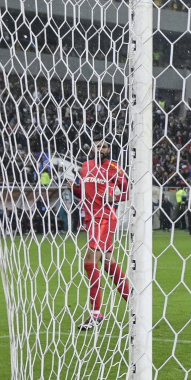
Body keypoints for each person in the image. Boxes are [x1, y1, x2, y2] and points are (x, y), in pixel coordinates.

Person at [72, 139, 130, 331]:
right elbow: (84, 193)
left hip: (104, 218)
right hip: (91, 219)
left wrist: (114, 197)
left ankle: (96, 313)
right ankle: (135, 304)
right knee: (108, 263)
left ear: (109, 150)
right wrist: (73, 188)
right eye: (97, 146)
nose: (100, 149)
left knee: (89, 262)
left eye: (104, 146)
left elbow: (129, 191)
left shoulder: (113, 167)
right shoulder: (85, 166)